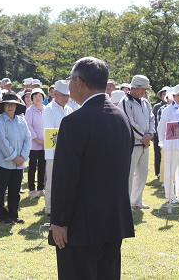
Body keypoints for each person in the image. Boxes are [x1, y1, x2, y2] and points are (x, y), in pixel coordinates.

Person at [50, 57, 134, 280]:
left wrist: (59, 221)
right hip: (114, 220)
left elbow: (65, 177)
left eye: (69, 79)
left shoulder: (74, 122)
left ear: (79, 82)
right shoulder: (122, 118)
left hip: (80, 226)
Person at [0, 92, 31, 224]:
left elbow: (28, 138)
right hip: (3, 163)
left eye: (12, 104)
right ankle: (2, 216)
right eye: (7, 104)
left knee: (15, 190)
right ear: (3, 106)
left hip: (19, 163)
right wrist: (15, 157)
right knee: (0, 191)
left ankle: (14, 215)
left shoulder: (21, 120)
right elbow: (3, 142)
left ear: (16, 106)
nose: (10, 107)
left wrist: (23, 156)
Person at [119, 75, 154, 209]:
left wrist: (150, 134)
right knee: (129, 174)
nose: (144, 91)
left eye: (145, 89)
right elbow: (129, 122)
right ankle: (126, 203)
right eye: (142, 89)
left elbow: (152, 118)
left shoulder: (145, 102)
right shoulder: (125, 102)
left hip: (145, 143)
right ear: (134, 88)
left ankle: (137, 200)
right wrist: (143, 137)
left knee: (142, 173)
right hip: (132, 144)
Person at [43, 80, 72, 216]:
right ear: (54, 94)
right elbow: (49, 134)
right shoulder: (49, 109)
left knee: (66, 181)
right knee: (52, 181)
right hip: (53, 152)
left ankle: (63, 206)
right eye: (63, 95)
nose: (65, 98)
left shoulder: (69, 109)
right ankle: (49, 208)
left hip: (68, 152)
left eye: (68, 95)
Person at [25, 88, 46, 198]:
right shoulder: (29, 110)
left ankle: (41, 188)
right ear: (32, 98)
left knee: (42, 167)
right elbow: (29, 127)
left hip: (45, 145)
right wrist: (38, 140)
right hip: (34, 144)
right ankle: (32, 189)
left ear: (43, 98)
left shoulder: (46, 109)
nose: (38, 98)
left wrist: (45, 141)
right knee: (32, 167)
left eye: (40, 96)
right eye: (35, 96)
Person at [153, 86, 170, 179]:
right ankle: (158, 172)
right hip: (157, 134)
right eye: (163, 94)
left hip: (169, 136)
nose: (165, 95)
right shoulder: (157, 107)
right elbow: (155, 121)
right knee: (158, 154)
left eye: (166, 93)